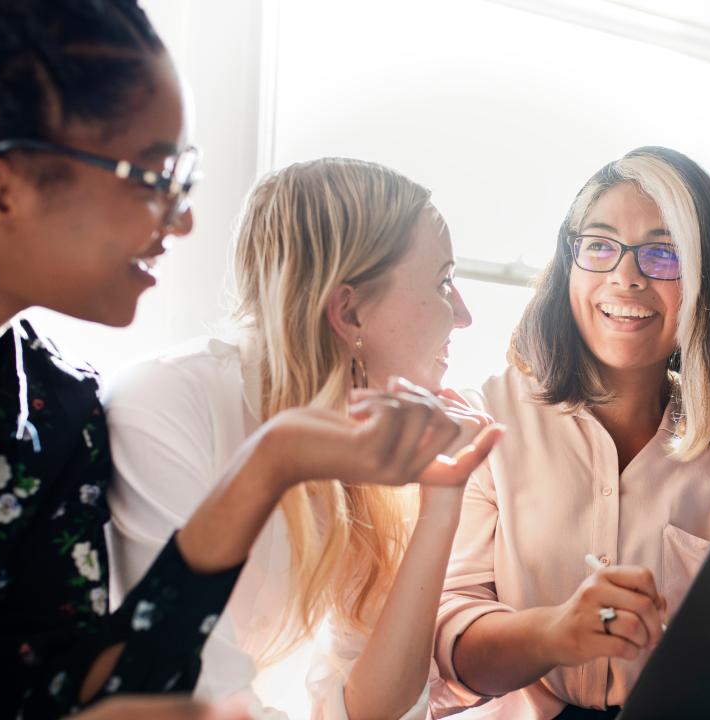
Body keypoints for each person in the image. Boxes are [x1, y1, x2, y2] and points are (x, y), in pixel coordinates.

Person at [0, 2, 478, 719]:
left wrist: (270, 461)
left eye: (183, 177)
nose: (182, 219)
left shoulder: (53, 416)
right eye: (151, 176)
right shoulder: (133, 403)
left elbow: (54, 688)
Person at [104, 158, 502, 720]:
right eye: (442, 282)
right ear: (348, 310)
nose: (462, 316)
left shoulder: (364, 455)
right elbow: (189, 691)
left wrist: (442, 504)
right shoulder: (166, 404)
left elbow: (372, 709)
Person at [432, 146, 710, 719]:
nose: (625, 277)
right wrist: (553, 632)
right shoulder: (487, 423)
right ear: (569, 264)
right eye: (599, 246)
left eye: (663, 252)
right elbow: (447, 642)